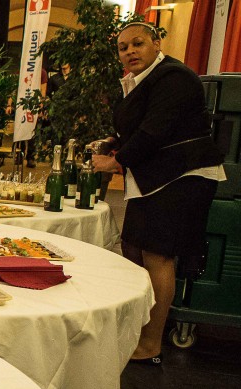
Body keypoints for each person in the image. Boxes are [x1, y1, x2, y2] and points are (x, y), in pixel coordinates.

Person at [91, 22, 225, 366]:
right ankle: (137, 328)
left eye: (138, 44)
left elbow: (154, 131)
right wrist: (114, 143)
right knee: (134, 248)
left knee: (157, 255)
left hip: (182, 176)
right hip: (155, 176)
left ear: (155, 43)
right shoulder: (143, 80)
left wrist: (115, 161)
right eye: (123, 47)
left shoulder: (173, 77)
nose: (130, 51)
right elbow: (139, 127)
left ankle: (151, 343)